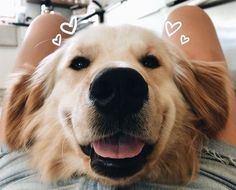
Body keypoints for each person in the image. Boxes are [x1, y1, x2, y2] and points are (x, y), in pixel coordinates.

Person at [0, 5, 235, 190]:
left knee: (47, 22)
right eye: (80, 63)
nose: (118, 90)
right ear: (37, 97)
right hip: (207, 177)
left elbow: (12, 136)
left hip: (23, 176)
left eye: (150, 62)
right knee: (189, 14)